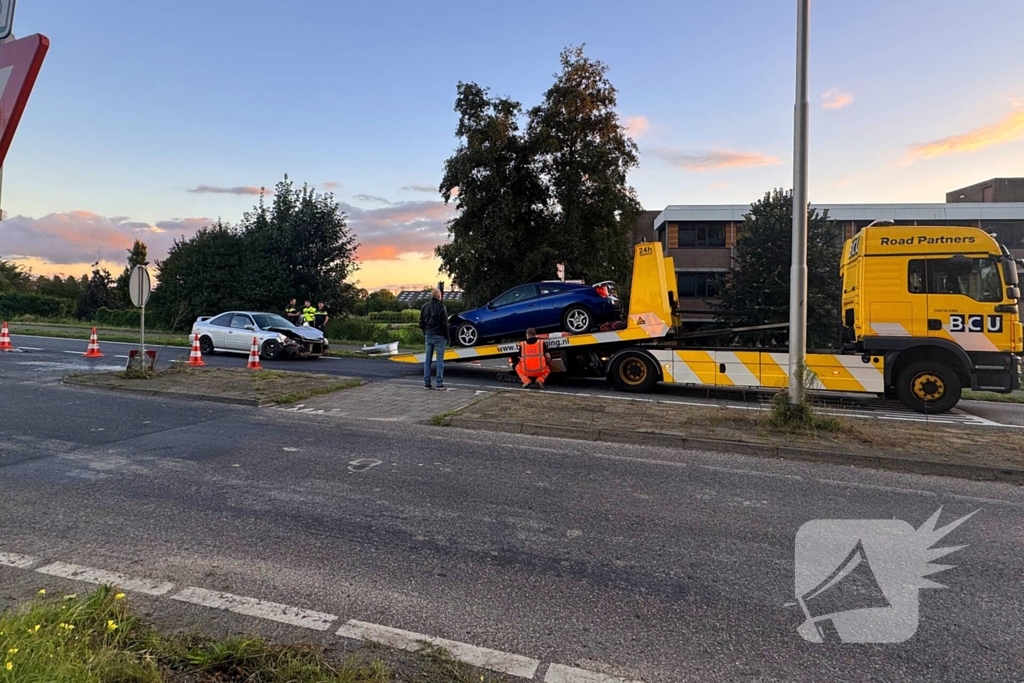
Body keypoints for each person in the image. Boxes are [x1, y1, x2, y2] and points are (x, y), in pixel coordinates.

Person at [419, 288, 449, 390]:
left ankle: (427, 383)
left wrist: (425, 332)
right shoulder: (441, 307)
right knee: (440, 360)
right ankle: (439, 384)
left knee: (427, 360)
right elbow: (444, 323)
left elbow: (421, 322)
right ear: (438, 296)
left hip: (428, 335)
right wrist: (447, 336)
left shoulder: (424, 307)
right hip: (439, 336)